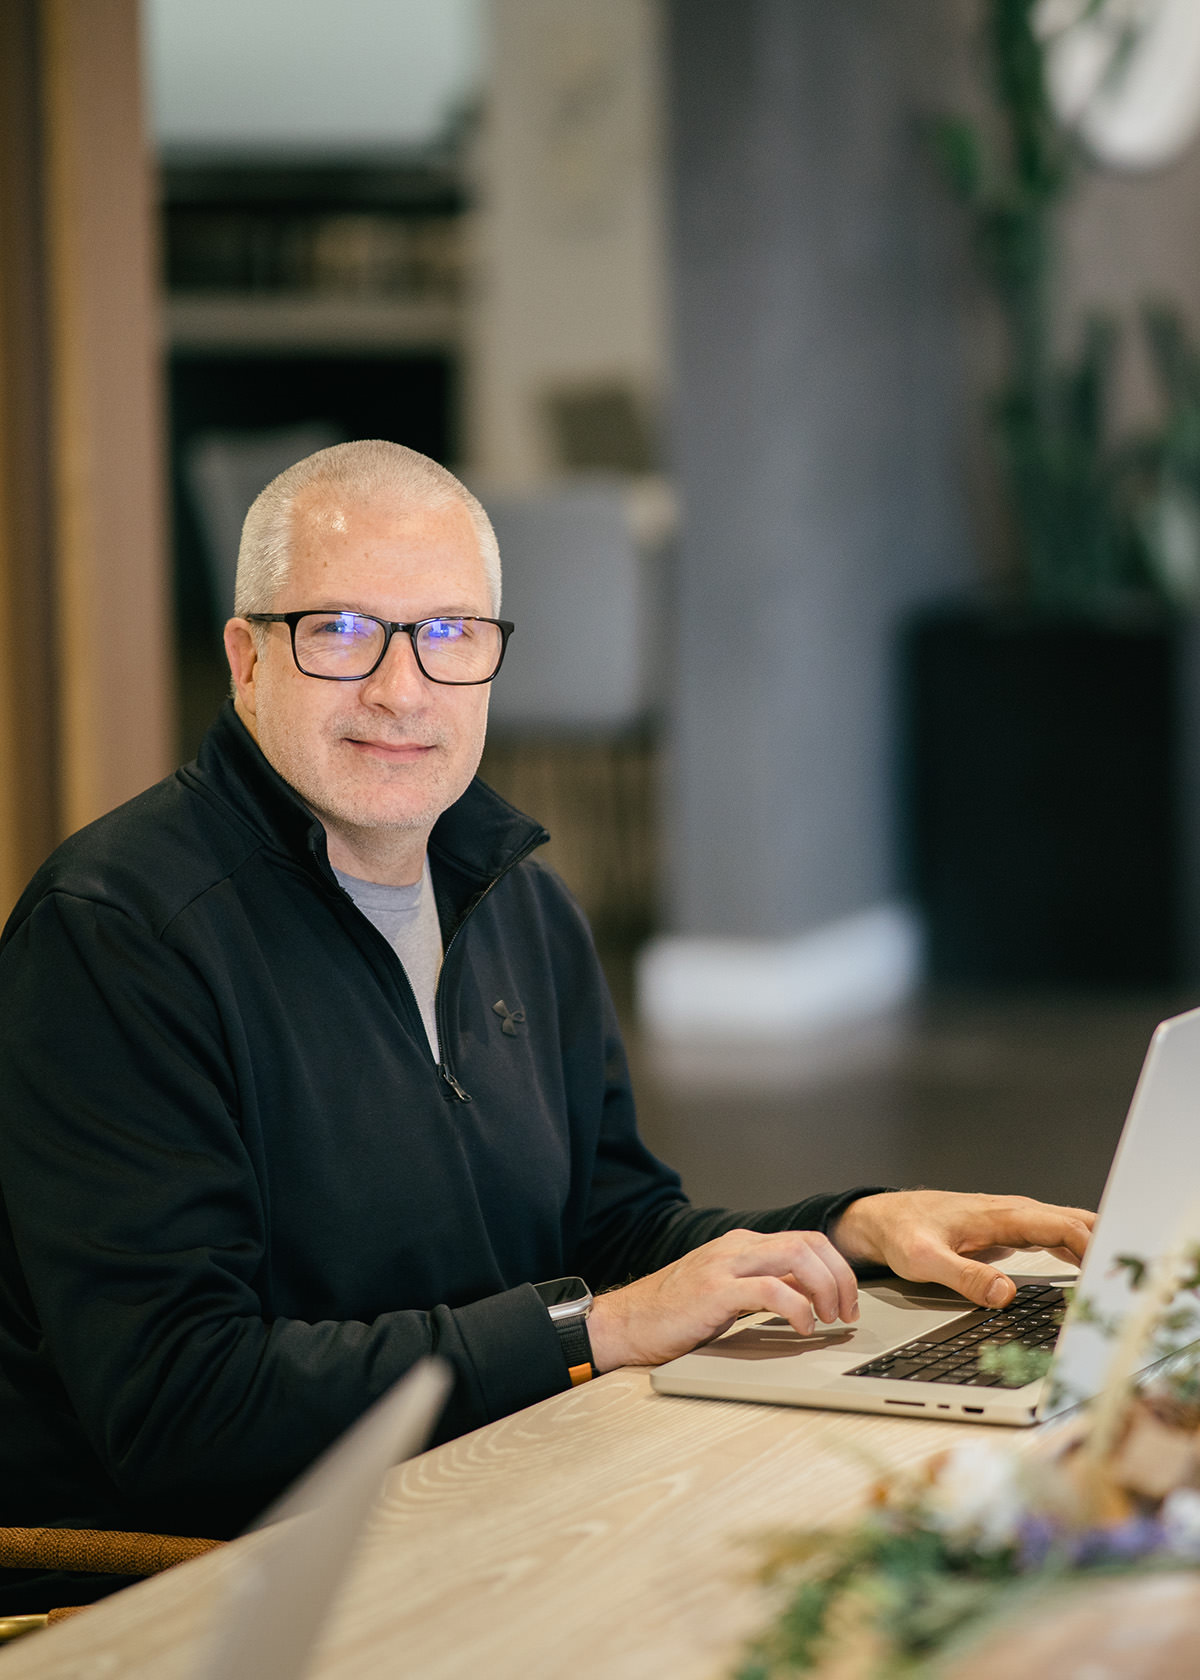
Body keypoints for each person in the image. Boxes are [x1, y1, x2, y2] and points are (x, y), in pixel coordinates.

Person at [0, 441, 1093, 1609]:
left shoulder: (515, 897)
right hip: (214, 1581)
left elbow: (612, 1230)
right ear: (246, 657)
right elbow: (186, 1412)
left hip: (488, 1494)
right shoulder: (118, 935)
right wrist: (596, 1330)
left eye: (449, 633)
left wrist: (851, 1228)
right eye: (342, 631)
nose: (402, 690)